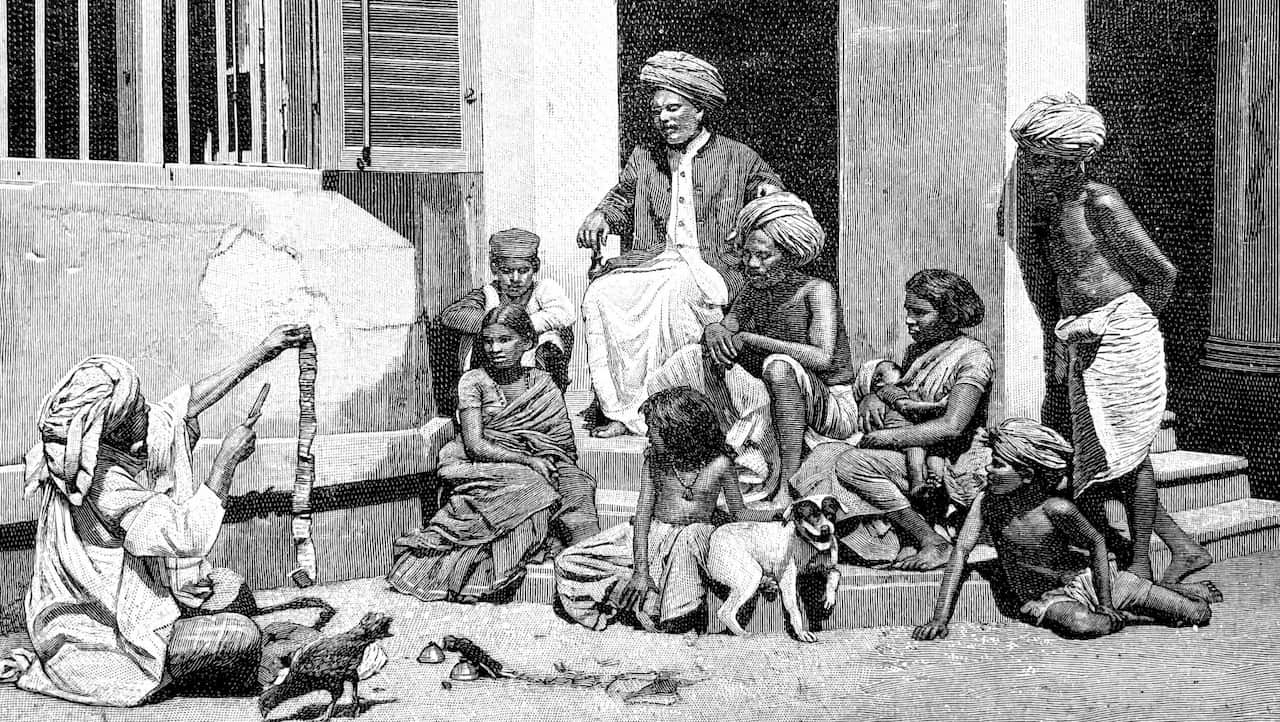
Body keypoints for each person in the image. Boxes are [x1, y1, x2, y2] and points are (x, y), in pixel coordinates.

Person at [4, 325, 310, 706]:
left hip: (125, 607)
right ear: (111, 432)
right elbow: (187, 536)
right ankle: (185, 665)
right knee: (240, 636)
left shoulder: (90, 450)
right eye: (138, 409)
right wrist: (226, 461)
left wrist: (263, 351)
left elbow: (182, 406)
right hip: (103, 642)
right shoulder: (105, 486)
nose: (149, 411)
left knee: (231, 587)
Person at [1008, 93, 1210, 584]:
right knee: (1096, 458)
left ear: (1075, 158)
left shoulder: (1100, 202)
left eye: (1042, 159)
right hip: (1079, 337)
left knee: (1127, 454)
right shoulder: (1045, 208)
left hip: (1121, 334)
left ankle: (1142, 562)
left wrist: (1130, 327)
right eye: (1028, 157)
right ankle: (1182, 547)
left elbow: (1161, 273)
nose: (1030, 168)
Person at [577, 50, 785, 438]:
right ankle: (625, 411)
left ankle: (673, 412)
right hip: (655, 258)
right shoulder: (645, 155)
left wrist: (765, 192)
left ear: (700, 109)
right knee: (602, 294)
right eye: (657, 111)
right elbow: (622, 196)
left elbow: (768, 185)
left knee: (675, 296)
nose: (664, 119)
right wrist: (601, 214)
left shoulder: (737, 155)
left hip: (716, 264)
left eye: (673, 108)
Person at [913, 418, 1220, 642]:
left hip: (1096, 583)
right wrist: (940, 617)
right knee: (1083, 625)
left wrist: (1106, 602)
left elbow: (1097, 544)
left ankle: (1174, 593)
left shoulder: (1056, 508)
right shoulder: (986, 503)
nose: (987, 471)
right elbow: (960, 554)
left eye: (997, 465)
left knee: (1198, 614)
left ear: (1026, 475)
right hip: (1047, 596)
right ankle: (1136, 613)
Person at [647, 192, 855, 503]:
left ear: (790, 253)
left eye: (763, 256)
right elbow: (727, 331)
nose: (752, 264)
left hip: (832, 408)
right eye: (747, 255)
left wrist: (753, 340)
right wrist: (714, 329)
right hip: (778, 399)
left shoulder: (816, 290)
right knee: (694, 357)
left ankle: (788, 484)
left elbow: (823, 358)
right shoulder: (753, 291)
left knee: (779, 367)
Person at [388, 305, 599, 603]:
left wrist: (548, 461)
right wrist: (529, 460)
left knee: (578, 485)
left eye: (504, 340)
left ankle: (589, 573)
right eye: (488, 341)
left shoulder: (541, 382)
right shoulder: (474, 381)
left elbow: (560, 441)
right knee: (531, 485)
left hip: (533, 457)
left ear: (527, 342)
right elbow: (475, 444)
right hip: (479, 460)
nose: (494, 349)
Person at [791, 269, 994, 572]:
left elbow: (953, 425)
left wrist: (887, 438)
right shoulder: (918, 350)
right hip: (913, 451)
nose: (910, 320)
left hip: (951, 458)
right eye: (908, 311)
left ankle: (931, 540)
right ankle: (875, 539)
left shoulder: (973, 356)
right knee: (825, 453)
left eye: (920, 313)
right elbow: (902, 393)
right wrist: (877, 396)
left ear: (950, 314)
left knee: (852, 463)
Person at [554, 386, 776, 632]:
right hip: (653, 535)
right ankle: (636, 591)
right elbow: (642, 517)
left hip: (695, 538)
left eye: (653, 428)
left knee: (687, 538)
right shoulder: (655, 461)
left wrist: (775, 514)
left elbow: (739, 514)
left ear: (678, 431)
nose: (648, 434)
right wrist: (640, 571)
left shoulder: (720, 463)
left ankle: (665, 605)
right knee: (569, 561)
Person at [440, 228, 576, 391]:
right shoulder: (489, 294)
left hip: (533, 367)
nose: (515, 279)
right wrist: (497, 328)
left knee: (554, 339)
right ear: (494, 268)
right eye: (507, 271)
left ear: (535, 267)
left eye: (524, 271)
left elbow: (564, 314)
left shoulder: (543, 289)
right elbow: (451, 315)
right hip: (496, 369)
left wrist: (518, 327)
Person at [869, 360, 950, 499]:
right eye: (892, 368)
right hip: (901, 436)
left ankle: (937, 482)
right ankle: (917, 484)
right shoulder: (888, 389)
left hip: (913, 433)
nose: (898, 368)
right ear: (878, 379)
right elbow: (906, 406)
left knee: (936, 452)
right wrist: (938, 405)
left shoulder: (902, 389)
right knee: (916, 449)